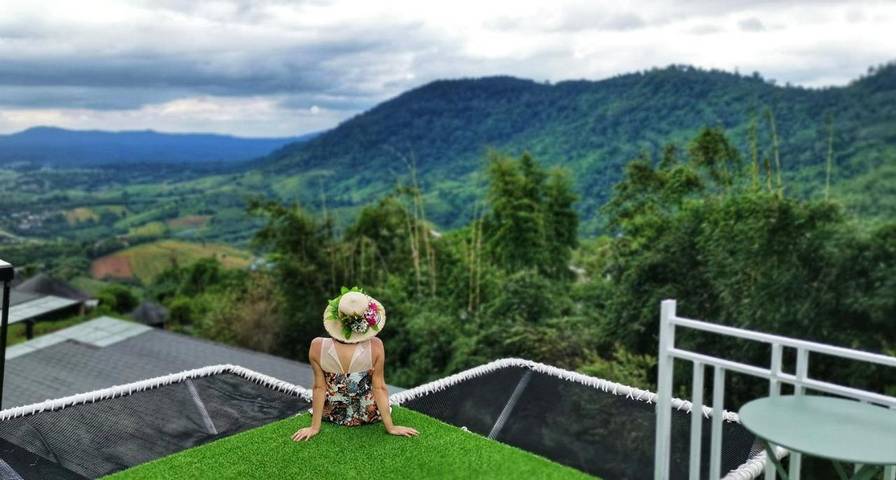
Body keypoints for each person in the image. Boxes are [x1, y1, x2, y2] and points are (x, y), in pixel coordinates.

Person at [292, 289, 419, 441]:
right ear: (365, 323)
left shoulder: (316, 346)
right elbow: (379, 388)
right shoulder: (376, 346)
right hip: (367, 415)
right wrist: (390, 427)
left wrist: (314, 427)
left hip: (333, 414)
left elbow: (319, 388)